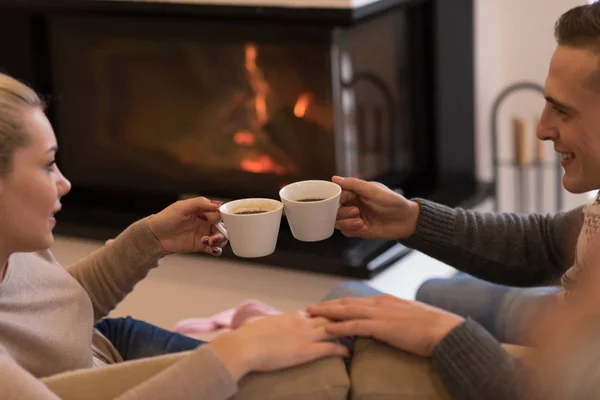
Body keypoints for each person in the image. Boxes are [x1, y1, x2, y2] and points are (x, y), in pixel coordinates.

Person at [308, 2, 600, 398]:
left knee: (348, 301)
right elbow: (548, 243)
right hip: (571, 306)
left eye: (562, 111)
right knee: (434, 290)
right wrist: (412, 219)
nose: (542, 128)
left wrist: (440, 333)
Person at [0, 72, 348, 399]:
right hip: (105, 378)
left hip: (109, 346)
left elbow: (57, 305)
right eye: (47, 165)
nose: (64, 183)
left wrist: (150, 239)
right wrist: (239, 350)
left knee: (328, 366)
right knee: (318, 379)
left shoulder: (15, 243)